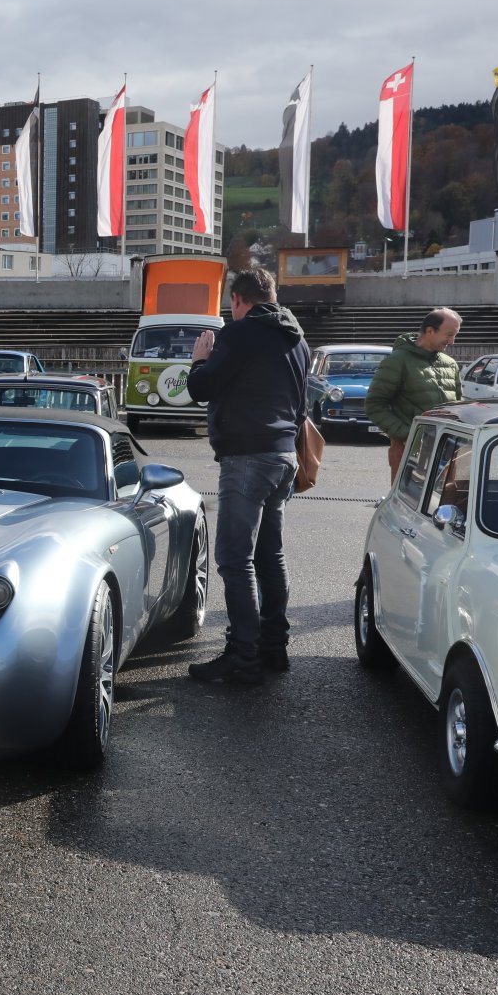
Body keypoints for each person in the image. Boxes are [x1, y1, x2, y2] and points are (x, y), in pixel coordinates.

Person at [183, 266, 311, 685]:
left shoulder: (239, 333)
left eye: (231, 305)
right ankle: (274, 646)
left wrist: (199, 360)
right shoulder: (297, 339)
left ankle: (243, 654)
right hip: (283, 455)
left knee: (235, 559)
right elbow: (301, 406)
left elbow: (201, 388)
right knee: (270, 555)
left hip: (247, 457)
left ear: (238, 300)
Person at [364, 308, 463, 484]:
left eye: (455, 335)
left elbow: (458, 405)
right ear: (430, 331)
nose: (452, 341)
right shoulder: (398, 361)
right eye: (449, 335)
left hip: (446, 453)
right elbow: (374, 405)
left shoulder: (450, 364)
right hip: (409, 455)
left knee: (445, 500)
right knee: (407, 501)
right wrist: (407, 434)